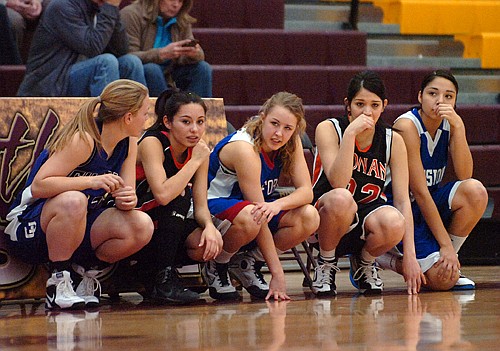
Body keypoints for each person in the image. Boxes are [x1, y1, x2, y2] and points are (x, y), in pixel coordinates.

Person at [5, 79, 154, 310]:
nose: (148, 119)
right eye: (145, 113)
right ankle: (57, 283)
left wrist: (128, 199)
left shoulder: (129, 142)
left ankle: (82, 273)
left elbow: (126, 196)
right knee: (75, 199)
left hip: (76, 228)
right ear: (128, 116)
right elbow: (39, 186)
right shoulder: (84, 139)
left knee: (141, 225)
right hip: (29, 227)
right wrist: (90, 180)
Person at [311, 70, 424, 296]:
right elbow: (338, 182)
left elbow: (402, 200)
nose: (367, 111)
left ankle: (365, 262)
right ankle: (325, 263)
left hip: (365, 222)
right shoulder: (329, 128)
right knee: (342, 199)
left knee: (395, 220)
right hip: (324, 219)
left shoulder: (393, 140)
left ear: (384, 106)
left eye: (374, 105)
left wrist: (410, 255)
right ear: (348, 105)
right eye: (360, 104)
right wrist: (350, 134)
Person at [376, 70, 488, 291]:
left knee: (475, 191)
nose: (440, 101)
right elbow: (419, 192)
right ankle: (380, 258)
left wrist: (460, 128)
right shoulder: (407, 126)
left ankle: (449, 262)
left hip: (427, 205)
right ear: (420, 96)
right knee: (440, 281)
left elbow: (466, 175)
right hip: (399, 209)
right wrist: (445, 244)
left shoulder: (450, 124)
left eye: (448, 96)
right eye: (433, 93)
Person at [205, 91, 320, 301]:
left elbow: (306, 192)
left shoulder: (289, 142)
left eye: (287, 128)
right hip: (212, 208)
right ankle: (218, 263)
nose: (279, 133)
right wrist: (277, 274)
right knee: (254, 215)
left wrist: (277, 205)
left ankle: (247, 263)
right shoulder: (244, 149)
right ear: (263, 116)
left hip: (251, 212)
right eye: (274, 124)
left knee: (309, 216)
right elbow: (258, 210)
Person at [135, 89, 223, 303]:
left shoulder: (199, 151)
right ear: (167, 122)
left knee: (205, 245)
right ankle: (162, 279)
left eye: (200, 122)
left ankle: (152, 271)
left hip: (162, 221)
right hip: (133, 217)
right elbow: (163, 194)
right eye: (186, 122)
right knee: (178, 194)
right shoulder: (152, 142)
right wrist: (194, 162)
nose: (195, 129)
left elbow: (201, 205)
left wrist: (210, 227)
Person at [17, 0, 146, 97]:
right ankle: (105, 126)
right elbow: (92, 47)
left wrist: (113, 11)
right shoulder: (63, 7)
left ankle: (138, 124)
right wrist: (110, 9)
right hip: (51, 83)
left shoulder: (101, 7)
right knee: (106, 62)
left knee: (131, 62)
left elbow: (121, 50)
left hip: (77, 76)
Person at [120, 0, 212, 97]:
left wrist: (194, 54)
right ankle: (163, 108)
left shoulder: (181, 19)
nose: (176, 5)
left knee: (202, 68)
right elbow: (128, 57)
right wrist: (160, 54)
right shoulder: (131, 14)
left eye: (180, 1)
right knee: (152, 69)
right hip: (142, 73)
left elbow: (198, 54)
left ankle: (198, 110)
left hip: (170, 73)